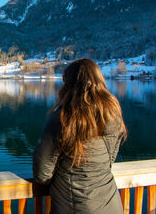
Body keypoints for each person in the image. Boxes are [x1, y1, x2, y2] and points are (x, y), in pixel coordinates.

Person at [33, 58, 127, 214]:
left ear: (69, 85)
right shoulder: (112, 115)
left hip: (74, 206)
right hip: (111, 204)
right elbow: (108, 159)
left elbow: (42, 174)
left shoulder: (61, 119)